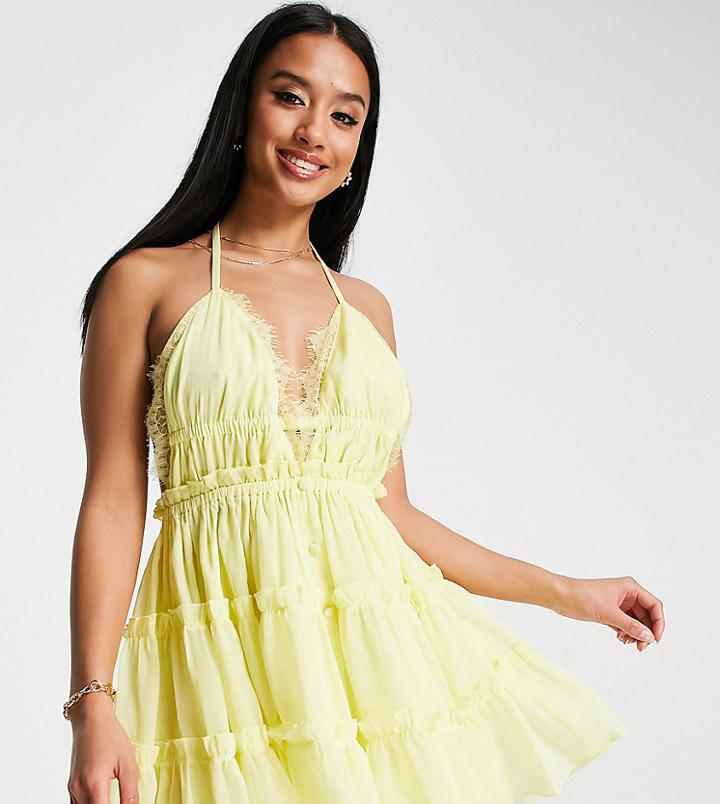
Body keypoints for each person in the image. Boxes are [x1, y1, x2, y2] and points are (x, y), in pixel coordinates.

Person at [66, 3, 665, 803]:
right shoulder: (143, 282)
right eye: (290, 97)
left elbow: (392, 515)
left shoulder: (366, 310)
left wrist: (570, 593)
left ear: (358, 148)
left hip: (376, 669)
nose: (314, 131)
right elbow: (112, 500)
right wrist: (92, 704)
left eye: (344, 116)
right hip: (220, 667)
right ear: (242, 110)